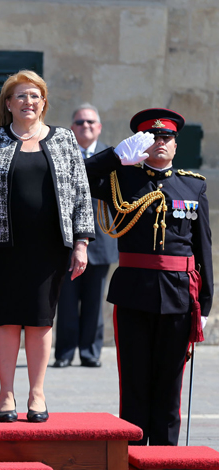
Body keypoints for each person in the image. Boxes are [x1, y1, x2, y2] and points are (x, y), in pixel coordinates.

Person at [0, 70, 93, 423]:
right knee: (6, 320)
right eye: (20, 96)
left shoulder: (64, 139)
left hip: (50, 247)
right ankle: (6, 393)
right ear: (8, 103)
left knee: (40, 320)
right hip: (2, 245)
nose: (28, 102)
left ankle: (37, 392)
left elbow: (81, 194)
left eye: (34, 96)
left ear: (44, 101)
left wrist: (81, 243)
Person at [84, 108, 212, 446]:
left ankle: (166, 454)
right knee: (135, 382)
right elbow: (76, 176)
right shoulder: (120, 179)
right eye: (151, 137)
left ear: (175, 144)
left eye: (166, 137)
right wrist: (113, 157)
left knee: (170, 383)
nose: (160, 142)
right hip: (134, 291)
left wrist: (206, 299)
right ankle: (135, 452)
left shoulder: (192, 185)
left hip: (178, 294)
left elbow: (202, 247)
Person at [53, 104, 119, 368]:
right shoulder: (62, 155)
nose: (86, 126)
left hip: (101, 240)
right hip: (68, 241)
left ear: (99, 127)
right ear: (72, 128)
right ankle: (65, 353)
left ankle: (91, 352)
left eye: (91, 122)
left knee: (94, 302)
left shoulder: (111, 157)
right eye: (80, 122)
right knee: (67, 302)